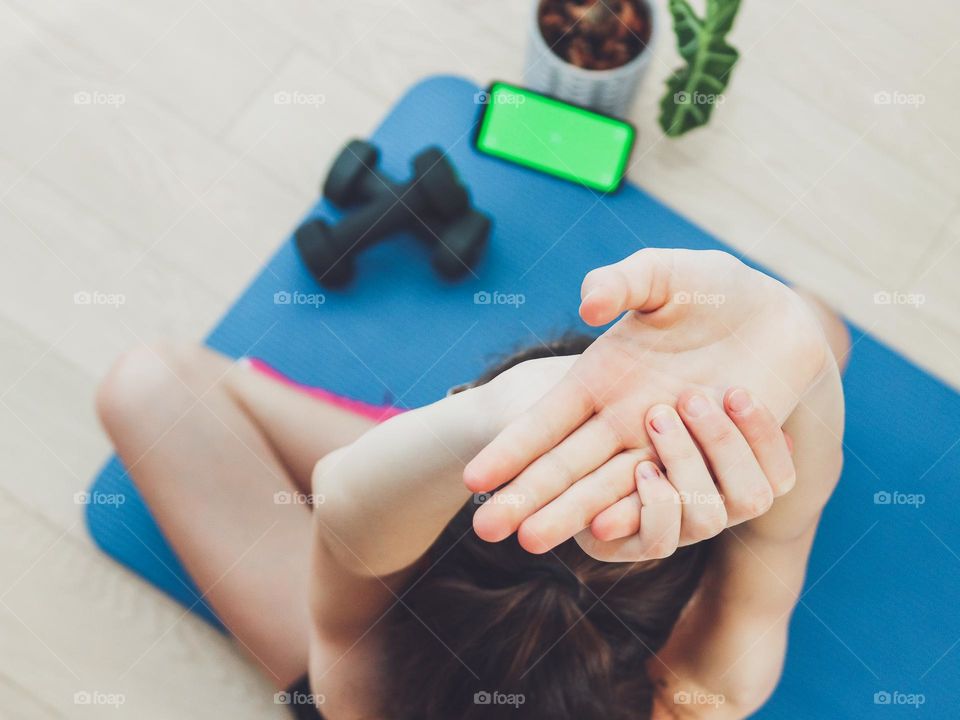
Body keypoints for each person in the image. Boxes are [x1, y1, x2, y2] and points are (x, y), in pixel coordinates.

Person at [96, 248, 848, 719]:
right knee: (810, 331)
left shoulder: (362, 685)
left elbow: (349, 520)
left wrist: (485, 416)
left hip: (393, 571)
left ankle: (427, 442)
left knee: (149, 389)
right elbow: (789, 514)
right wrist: (783, 334)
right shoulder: (697, 697)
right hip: (410, 529)